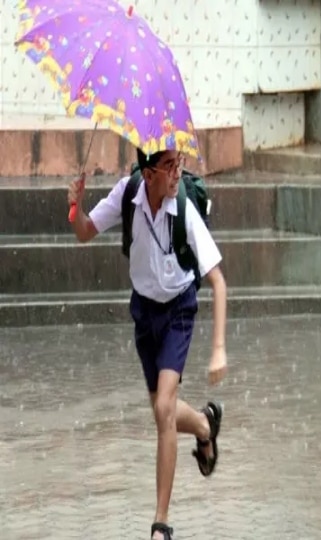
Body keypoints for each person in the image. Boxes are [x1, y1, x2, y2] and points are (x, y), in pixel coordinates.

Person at [67, 149, 229, 540]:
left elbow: (219, 282)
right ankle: (206, 425)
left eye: (180, 165)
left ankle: (161, 523)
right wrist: (75, 206)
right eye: (169, 167)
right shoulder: (128, 194)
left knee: (163, 409)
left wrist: (219, 348)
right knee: (163, 410)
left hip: (177, 311)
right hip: (144, 312)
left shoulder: (185, 209)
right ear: (148, 172)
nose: (177, 174)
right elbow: (86, 232)